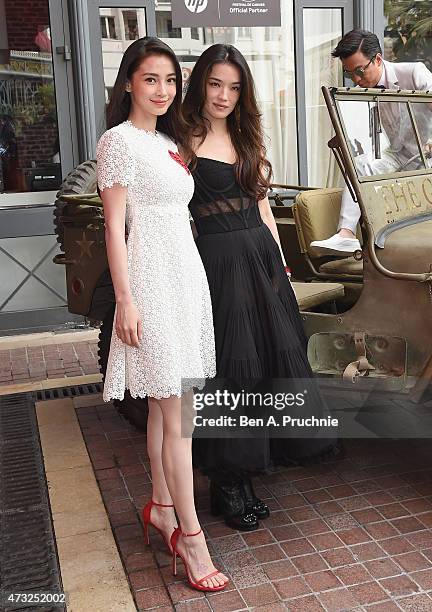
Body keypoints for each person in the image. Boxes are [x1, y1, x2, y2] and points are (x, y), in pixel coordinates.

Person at [182, 44, 339, 532]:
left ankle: (244, 471)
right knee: (229, 368)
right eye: (215, 84)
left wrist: (282, 270)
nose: (224, 96)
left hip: (260, 259)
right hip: (215, 262)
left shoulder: (248, 137)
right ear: (200, 84)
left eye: (233, 87)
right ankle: (225, 480)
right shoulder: (181, 137)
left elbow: (264, 207)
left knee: (267, 363)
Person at [97, 37, 228, 592]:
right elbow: (113, 226)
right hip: (149, 284)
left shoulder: (170, 141)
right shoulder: (117, 142)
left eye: (170, 80)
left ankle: (161, 507)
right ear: (128, 82)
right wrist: (126, 299)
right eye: (151, 79)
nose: (162, 90)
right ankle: (192, 540)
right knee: (179, 418)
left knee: (167, 409)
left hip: (185, 280)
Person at [311, 29, 432, 254]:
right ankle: (346, 234)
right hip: (398, 155)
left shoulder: (414, 72)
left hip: (429, 158)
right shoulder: (360, 91)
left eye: (359, 71)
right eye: (350, 74)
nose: (356, 79)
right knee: (360, 165)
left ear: (377, 59)